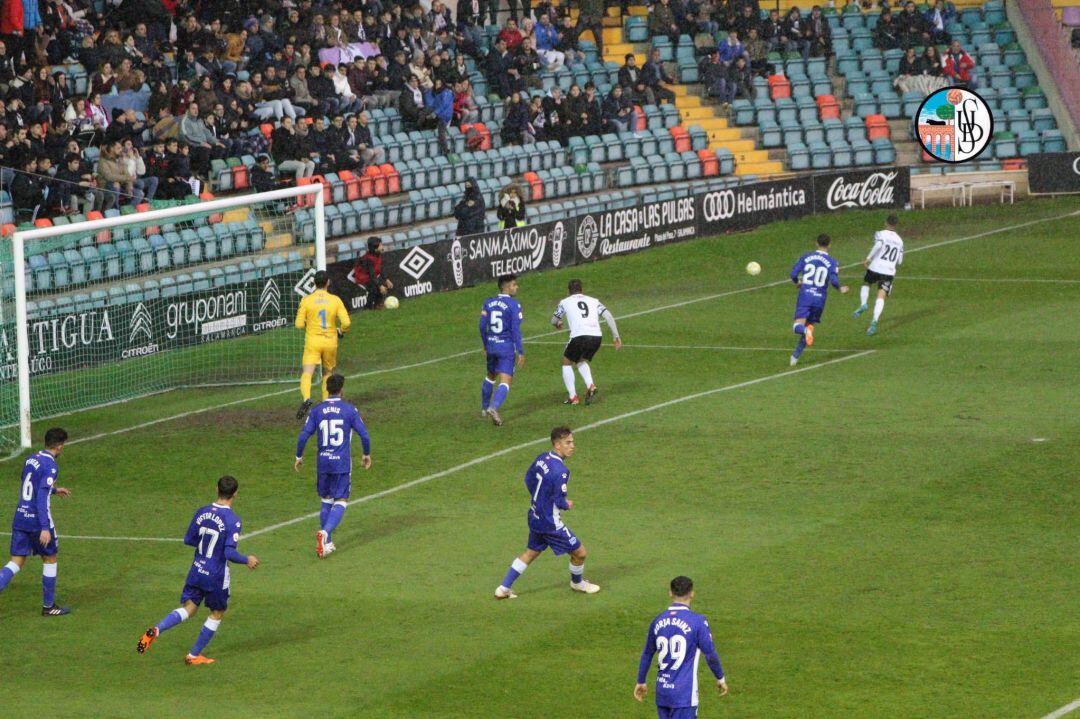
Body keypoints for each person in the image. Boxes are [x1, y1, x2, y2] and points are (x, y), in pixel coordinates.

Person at [135, 476, 260, 665]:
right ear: (235, 493)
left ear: (216, 488)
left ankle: (157, 630)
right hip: (216, 574)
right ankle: (193, 656)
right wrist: (247, 559)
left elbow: (188, 539)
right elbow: (228, 552)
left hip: (197, 569)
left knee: (190, 609)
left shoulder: (201, 512)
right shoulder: (233, 520)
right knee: (217, 612)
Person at [494, 426, 599, 598]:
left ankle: (503, 588)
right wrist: (567, 504)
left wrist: (540, 499)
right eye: (568, 442)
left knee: (531, 552)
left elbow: (528, 479)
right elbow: (559, 500)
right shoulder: (561, 471)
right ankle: (578, 583)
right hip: (550, 523)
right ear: (557, 445)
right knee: (580, 553)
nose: (572, 446)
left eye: (572, 442)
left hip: (535, 515)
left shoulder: (542, 458)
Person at [295, 373, 372, 558]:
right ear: (342, 390)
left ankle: (327, 544)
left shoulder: (317, 410)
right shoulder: (349, 410)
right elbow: (365, 435)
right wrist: (366, 454)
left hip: (323, 462)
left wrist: (298, 456)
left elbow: (303, 435)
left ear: (327, 390)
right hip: (341, 464)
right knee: (341, 501)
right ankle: (325, 533)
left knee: (326, 499)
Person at [0, 428, 72, 616]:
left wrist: (54, 490)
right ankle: (49, 606)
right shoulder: (51, 466)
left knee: (16, 562)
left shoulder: (31, 458)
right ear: (59, 445)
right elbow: (40, 496)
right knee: (50, 558)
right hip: (37, 520)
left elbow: (29, 483)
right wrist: (45, 528)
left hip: (20, 516)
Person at [634, 576, 729, 715]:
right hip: (684, 694)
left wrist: (641, 681)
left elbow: (647, 653)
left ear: (670, 593)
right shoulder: (698, 622)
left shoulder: (658, 620)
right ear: (692, 594)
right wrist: (720, 678)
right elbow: (710, 655)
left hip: (662, 693)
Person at [551, 279, 622, 405]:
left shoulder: (565, 302)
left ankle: (573, 397)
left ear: (569, 291)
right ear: (582, 290)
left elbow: (553, 320)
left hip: (580, 336)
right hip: (596, 337)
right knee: (579, 360)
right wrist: (616, 336)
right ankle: (591, 386)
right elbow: (609, 316)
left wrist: (558, 323)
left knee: (566, 362)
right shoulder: (594, 301)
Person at [295, 270, 352, 420]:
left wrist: (310, 324)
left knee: (307, 372)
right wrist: (341, 330)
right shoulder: (335, 300)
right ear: (328, 282)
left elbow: (299, 324)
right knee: (328, 373)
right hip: (330, 341)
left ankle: (306, 399)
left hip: (313, 341)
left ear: (314, 283)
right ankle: (328, 403)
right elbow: (346, 323)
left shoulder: (306, 300)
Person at [789, 234, 849, 366]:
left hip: (805, 296)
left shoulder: (806, 257)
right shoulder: (833, 262)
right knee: (809, 326)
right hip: (820, 299)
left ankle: (805, 332)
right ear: (829, 245)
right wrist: (840, 288)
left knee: (797, 327)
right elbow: (833, 280)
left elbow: (793, 274)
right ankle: (795, 357)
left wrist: (797, 282)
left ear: (816, 243)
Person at [479, 274, 525, 427]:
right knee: (505, 381)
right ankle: (494, 407)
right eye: (514, 285)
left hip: (491, 345)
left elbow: (481, 325)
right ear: (506, 287)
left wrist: (485, 344)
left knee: (490, 376)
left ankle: (485, 408)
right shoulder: (514, 305)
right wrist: (521, 351)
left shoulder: (488, 302)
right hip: (505, 347)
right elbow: (515, 330)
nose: (516, 287)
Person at [854, 214, 904, 336]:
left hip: (876, 266)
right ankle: (874, 321)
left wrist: (868, 258)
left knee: (866, 283)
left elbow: (878, 245)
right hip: (889, 271)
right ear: (896, 225)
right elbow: (900, 261)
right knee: (880, 297)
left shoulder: (880, 234)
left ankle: (863, 303)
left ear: (886, 223)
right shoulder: (900, 241)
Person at [349, 236, 394, 309]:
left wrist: (386, 280)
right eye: (381, 245)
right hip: (362, 276)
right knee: (374, 289)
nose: (382, 246)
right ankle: (368, 307)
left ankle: (378, 305)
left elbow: (380, 268)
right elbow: (372, 275)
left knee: (378, 288)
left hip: (370, 275)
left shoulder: (378, 254)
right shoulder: (368, 259)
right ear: (375, 248)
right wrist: (380, 286)